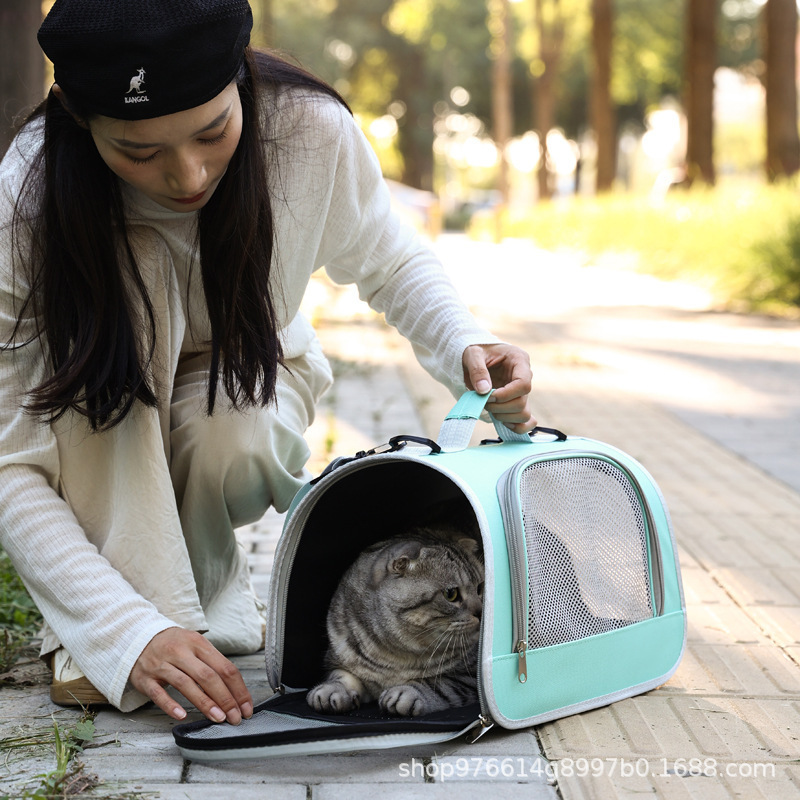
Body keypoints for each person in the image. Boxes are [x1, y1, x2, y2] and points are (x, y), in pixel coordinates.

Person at [0, 0, 535, 727]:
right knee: (116, 391)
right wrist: (123, 631)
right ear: (76, 117)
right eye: (138, 152)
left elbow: (388, 258)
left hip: (247, 368)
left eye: (212, 132)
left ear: (243, 80)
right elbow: (12, 460)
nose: (188, 176)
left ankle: (187, 603)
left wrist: (465, 345)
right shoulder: (26, 203)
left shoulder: (308, 132)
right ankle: (127, 613)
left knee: (235, 432)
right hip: (100, 391)